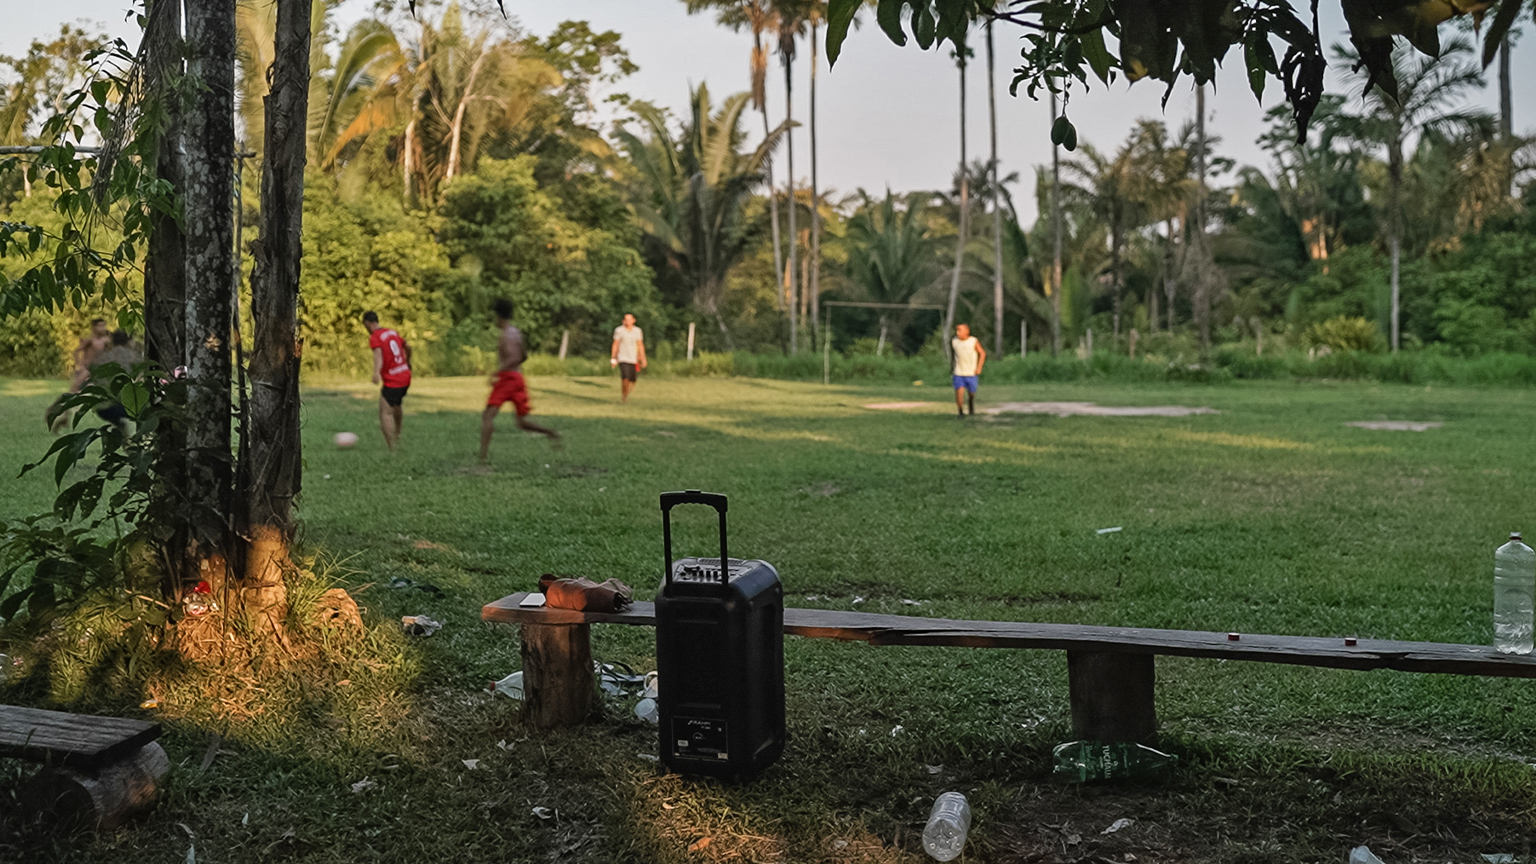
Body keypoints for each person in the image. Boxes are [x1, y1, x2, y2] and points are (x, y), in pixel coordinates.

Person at [480, 299, 559, 462]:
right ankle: (550, 432)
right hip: (518, 378)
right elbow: (523, 355)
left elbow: (515, 357)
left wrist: (497, 371)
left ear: (498, 316)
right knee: (521, 422)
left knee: (487, 416)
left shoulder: (505, 335)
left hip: (507, 378)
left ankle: (482, 456)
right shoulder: (516, 333)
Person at [47, 318, 112, 431]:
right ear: (94, 327)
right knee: (73, 392)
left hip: (98, 371)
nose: (102, 328)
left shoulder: (106, 340)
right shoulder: (90, 340)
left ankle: (64, 417)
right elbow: (77, 351)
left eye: (104, 326)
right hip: (87, 369)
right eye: (100, 326)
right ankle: (58, 411)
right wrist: (79, 364)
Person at [363, 311, 412, 452]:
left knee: (385, 412)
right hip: (405, 375)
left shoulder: (375, 337)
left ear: (367, 323)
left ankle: (392, 449)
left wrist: (376, 373)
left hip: (393, 380)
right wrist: (408, 361)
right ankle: (398, 433)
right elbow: (408, 347)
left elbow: (378, 354)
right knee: (396, 404)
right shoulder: (392, 332)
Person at [610, 313, 647, 403]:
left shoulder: (637, 331)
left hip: (633, 359)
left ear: (634, 320)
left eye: (630, 319)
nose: (628, 321)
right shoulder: (619, 330)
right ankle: (624, 397)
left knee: (632, 380)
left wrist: (643, 358)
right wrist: (614, 358)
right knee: (625, 379)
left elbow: (640, 345)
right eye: (626, 319)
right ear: (623, 321)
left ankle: (626, 392)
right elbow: (615, 344)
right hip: (622, 358)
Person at [950, 322, 986, 417]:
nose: (958, 333)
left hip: (971, 372)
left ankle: (971, 406)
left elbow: (982, 353)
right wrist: (951, 366)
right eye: (957, 330)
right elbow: (953, 355)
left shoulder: (973, 341)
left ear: (967, 331)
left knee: (971, 393)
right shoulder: (954, 341)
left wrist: (979, 367)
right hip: (959, 372)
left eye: (960, 330)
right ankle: (960, 412)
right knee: (959, 392)